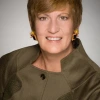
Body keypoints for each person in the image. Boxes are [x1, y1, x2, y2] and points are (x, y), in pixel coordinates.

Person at [0, 0, 100, 100]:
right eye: (43, 18)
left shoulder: (94, 84)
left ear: (76, 23)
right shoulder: (9, 63)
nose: (53, 29)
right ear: (32, 23)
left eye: (63, 17)